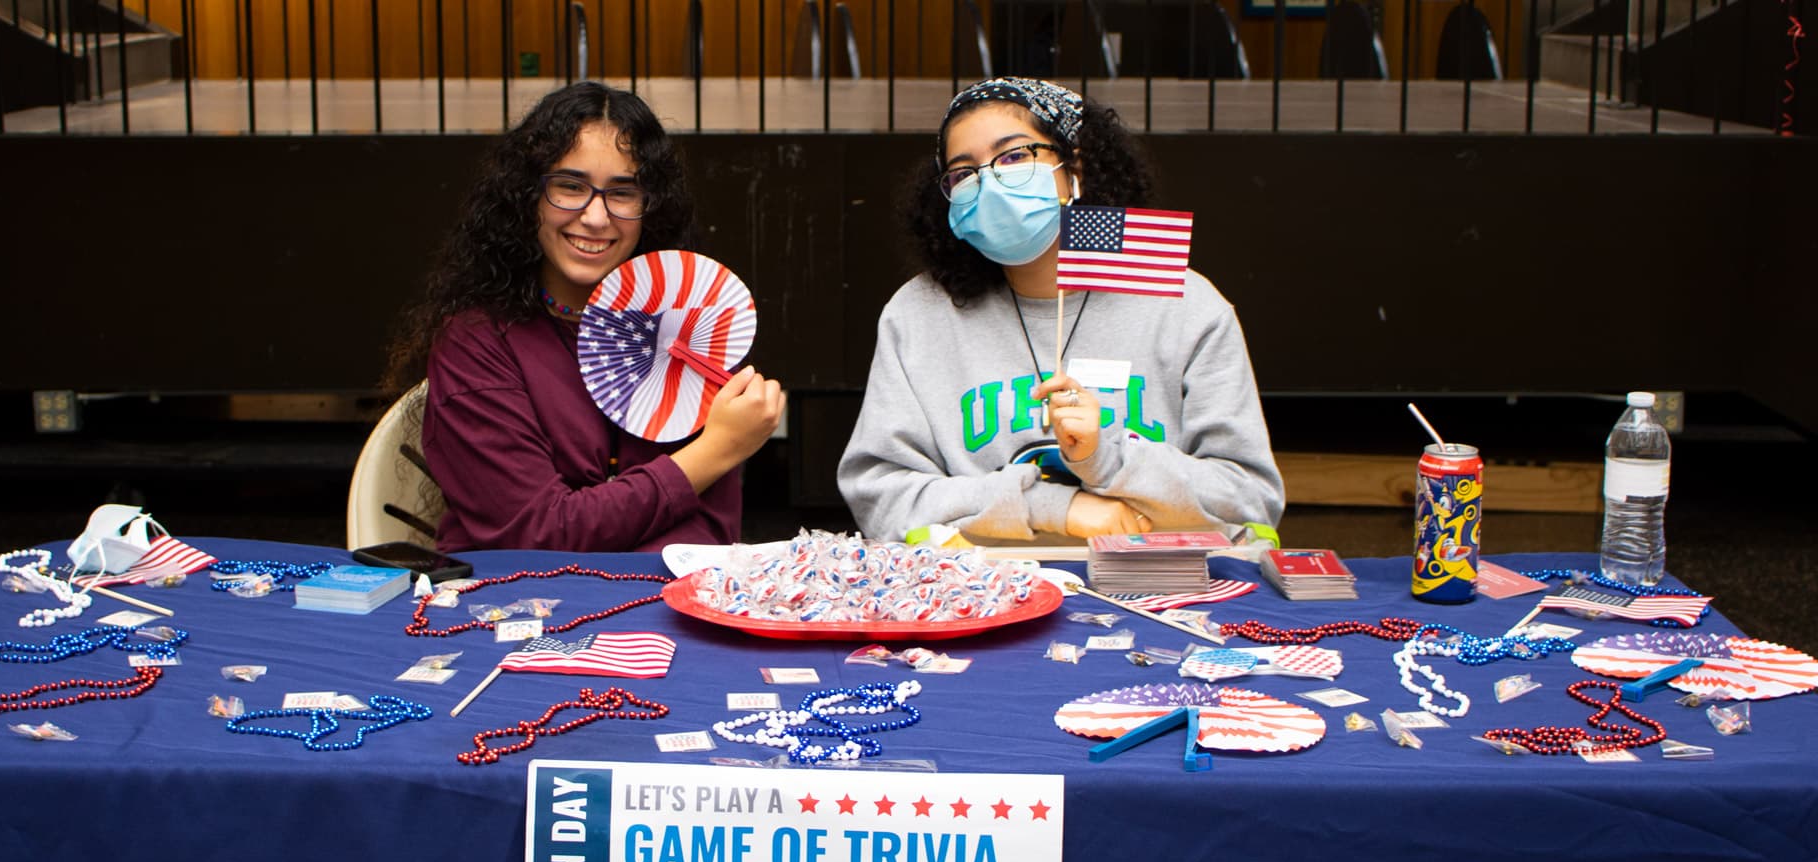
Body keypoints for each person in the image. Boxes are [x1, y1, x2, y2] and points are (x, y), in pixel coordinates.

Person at [837, 77, 1284, 544]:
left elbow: (1250, 499)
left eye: (1014, 156)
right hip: (988, 595)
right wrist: (1050, 507)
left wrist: (1106, 457)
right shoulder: (919, 315)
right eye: (964, 172)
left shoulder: (1187, 307)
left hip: (1156, 592)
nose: (988, 182)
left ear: (1076, 170)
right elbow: (880, 494)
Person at [383, 81, 785, 553]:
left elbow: (705, 538)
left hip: (654, 607)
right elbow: (538, 532)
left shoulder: (689, 327)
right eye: (569, 186)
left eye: (623, 192)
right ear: (526, 196)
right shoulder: (476, 342)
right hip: (508, 608)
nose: (595, 217)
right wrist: (716, 450)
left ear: (650, 208)